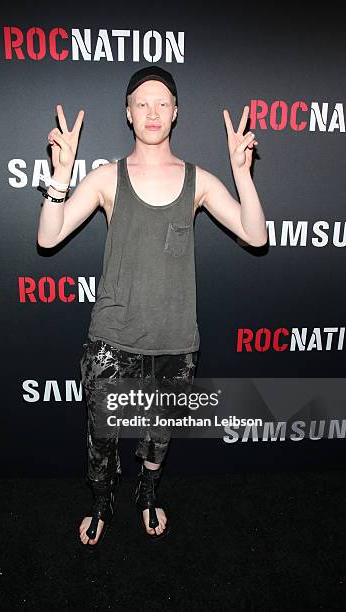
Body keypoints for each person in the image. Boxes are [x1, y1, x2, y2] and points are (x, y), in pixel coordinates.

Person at [37, 66, 267, 550]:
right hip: (112, 340)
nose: (153, 111)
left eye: (162, 102)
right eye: (142, 102)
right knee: (101, 440)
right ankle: (101, 501)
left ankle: (146, 493)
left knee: (157, 440)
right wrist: (60, 177)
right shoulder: (105, 178)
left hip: (174, 342)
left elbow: (256, 235)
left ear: (176, 112)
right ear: (128, 113)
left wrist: (242, 176)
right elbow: (48, 236)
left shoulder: (198, 180)